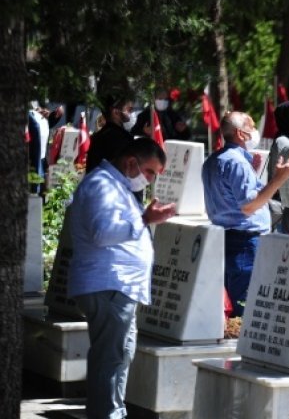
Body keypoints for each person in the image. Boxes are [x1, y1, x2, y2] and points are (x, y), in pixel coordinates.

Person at [67, 138, 177, 419]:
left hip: (119, 288)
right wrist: (143, 220)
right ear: (131, 162)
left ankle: (113, 412)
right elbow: (102, 233)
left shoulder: (118, 187)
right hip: (109, 286)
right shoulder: (102, 185)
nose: (150, 180)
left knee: (119, 355)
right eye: (150, 172)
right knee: (110, 357)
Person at [202, 111, 289, 317]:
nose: (255, 131)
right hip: (244, 241)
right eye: (252, 127)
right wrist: (280, 178)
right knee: (245, 307)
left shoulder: (214, 159)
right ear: (241, 133)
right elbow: (249, 206)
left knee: (235, 301)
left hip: (226, 237)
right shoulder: (235, 162)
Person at [86, 93, 135, 173]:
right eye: (129, 110)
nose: (131, 113)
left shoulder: (99, 135)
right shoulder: (119, 138)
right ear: (115, 112)